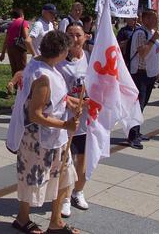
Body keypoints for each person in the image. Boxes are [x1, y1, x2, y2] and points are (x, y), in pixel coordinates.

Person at [8, 31, 80, 234]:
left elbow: (56, 98)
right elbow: (35, 115)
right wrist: (65, 125)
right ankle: (22, 219)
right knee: (33, 180)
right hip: (39, 139)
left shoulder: (41, 63)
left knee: (64, 177)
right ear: (61, 52)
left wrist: (72, 102)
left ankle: (56, 222)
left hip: (55, 138)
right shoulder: (43, 77)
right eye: (67, 50)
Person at [56, 23, 91, 217]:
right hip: (66, 120)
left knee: (82, 161)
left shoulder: (91, 59)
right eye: (70, 35)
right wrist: (72, 101)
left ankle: (78, 192)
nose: (75, 38)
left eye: (78, 35)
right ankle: (65, 198)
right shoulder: (59, 61)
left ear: (85, 37)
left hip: (86, 121)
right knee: (66, 162)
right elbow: (56, 91)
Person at [127, 10, 159, 149]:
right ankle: (132, 135)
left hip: (149, 74)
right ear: (146, 19)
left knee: (142, 105)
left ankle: (137, 132)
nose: (156, 21)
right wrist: (153, 39)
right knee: (137, 106)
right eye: (154, 18)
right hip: (140, 73)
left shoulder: (151, 32)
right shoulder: (141, 33)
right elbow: (142, 53)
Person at [0, 9, 33, 79]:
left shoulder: (11, 24)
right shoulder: (24, 22)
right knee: (22, 69)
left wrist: (3, 53)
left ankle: (14, 87)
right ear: (21, 15)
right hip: (19, 48)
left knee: (14, 69)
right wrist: (32, 51)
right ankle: (21, 88)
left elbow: (6, 40)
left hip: (10, 48)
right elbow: (26, 37)